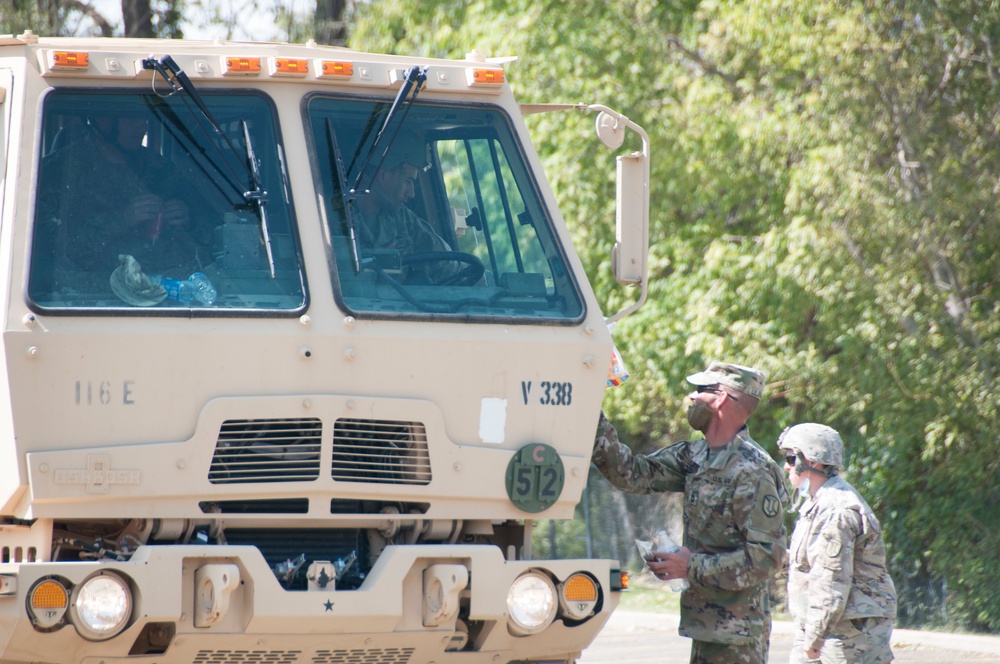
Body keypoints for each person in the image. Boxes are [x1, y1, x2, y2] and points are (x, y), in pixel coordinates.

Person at [593, 361, 789, 664]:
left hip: (737, 637)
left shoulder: (754, 470)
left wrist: (690, 566)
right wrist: (590, 410)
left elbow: (767, 557)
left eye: (700, 390)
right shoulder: (695, 454)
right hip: (705, 627)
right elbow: (629, 473)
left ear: (721, 397)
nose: (691, 397)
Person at [34, 109, 215, 284]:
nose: (142, 127)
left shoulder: (161, 167)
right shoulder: (58, 170)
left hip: (164, 285)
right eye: (131, 119)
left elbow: (211, 233)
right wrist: (123, 219)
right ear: (103, 121)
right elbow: (50, 245)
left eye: (144, 120)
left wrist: (187, 221)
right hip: (85, 289)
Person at [779, 423, 897, 664]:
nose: (786, 466)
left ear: (811, 461)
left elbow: (830, 581)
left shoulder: (835, 509)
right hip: (828, 627)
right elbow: (811, 561)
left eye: (791, 458)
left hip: (848, 632)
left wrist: (813, 642)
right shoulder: (818, 502)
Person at [350, 139, 464, 284]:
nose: (411, 194)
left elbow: (446, 265)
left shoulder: (401, 217)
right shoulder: (334, 219)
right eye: (408, 181)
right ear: (382, 175)